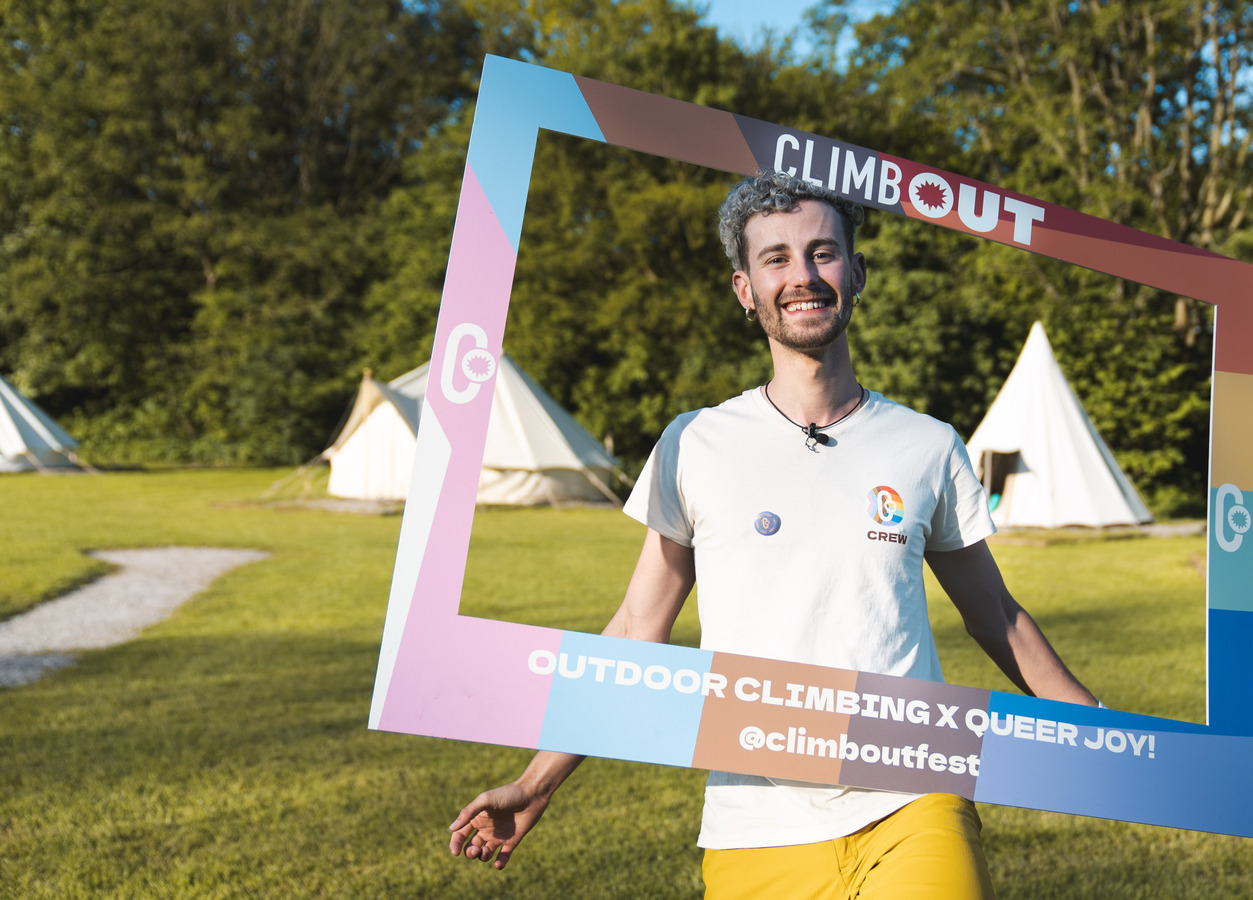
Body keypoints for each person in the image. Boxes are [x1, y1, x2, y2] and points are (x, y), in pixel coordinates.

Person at [446, 171, 1099, 899]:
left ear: (857, 273)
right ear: (744, 290)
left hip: (915, 797)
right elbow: (636, 626)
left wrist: (1104, 739)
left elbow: (996, 615)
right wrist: (538, 782)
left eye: (823, 253)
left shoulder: (927, 445)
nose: (804, 276)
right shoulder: (694, 443)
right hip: (754, 822)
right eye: (777, 259)